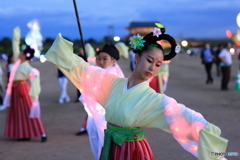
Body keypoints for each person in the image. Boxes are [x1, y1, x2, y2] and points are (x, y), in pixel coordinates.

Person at [45, 23, 228, 160]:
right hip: (111, 148)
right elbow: (84, 71)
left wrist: (207, 134)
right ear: (137, 57)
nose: (153, 68)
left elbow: (183, 115)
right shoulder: (112, 83)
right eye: (150, 60)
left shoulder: (155, 100)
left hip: (133, 152)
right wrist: (64, 54)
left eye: (158, 64)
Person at [76, 44, 124, 160]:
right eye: (99, 58)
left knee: (104, 146)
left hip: (105, 117)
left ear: (114, 60)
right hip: (93, 115)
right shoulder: (98, 71)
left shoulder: (114, 72)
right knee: (95, 143)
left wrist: (89, 71)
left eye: (105, 58)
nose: (101, 61)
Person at [3, 45, 47, 142]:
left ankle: (42, 133)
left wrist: (34, 90)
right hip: (16, 89)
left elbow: (35, 75)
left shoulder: (27, 67)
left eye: (21, 53)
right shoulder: (18, 64)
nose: (19, 54)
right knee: (19, 112)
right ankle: (24, 134)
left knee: (28, 110)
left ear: (24, 56)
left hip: (22, 89)